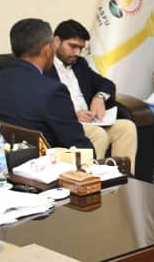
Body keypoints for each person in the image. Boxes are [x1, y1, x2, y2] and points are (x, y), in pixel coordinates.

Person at [0, 18, 92, 152]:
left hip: (1, 157)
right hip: (45, 161)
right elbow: (78, 145)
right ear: (47, 49)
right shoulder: (53, 91)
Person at [46, 19, 138, 168]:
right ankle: (92, 180)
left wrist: (98, 97)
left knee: (126, 127)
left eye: (81, 48)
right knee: (98, 134)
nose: (77, 53)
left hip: (91, 120)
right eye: (73, 46)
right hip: (68, 124)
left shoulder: (79, 64)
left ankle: (123, 178)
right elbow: (44, 103)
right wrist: (73, 115)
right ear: (56, 41)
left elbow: (106, 84)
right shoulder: (45, 66)